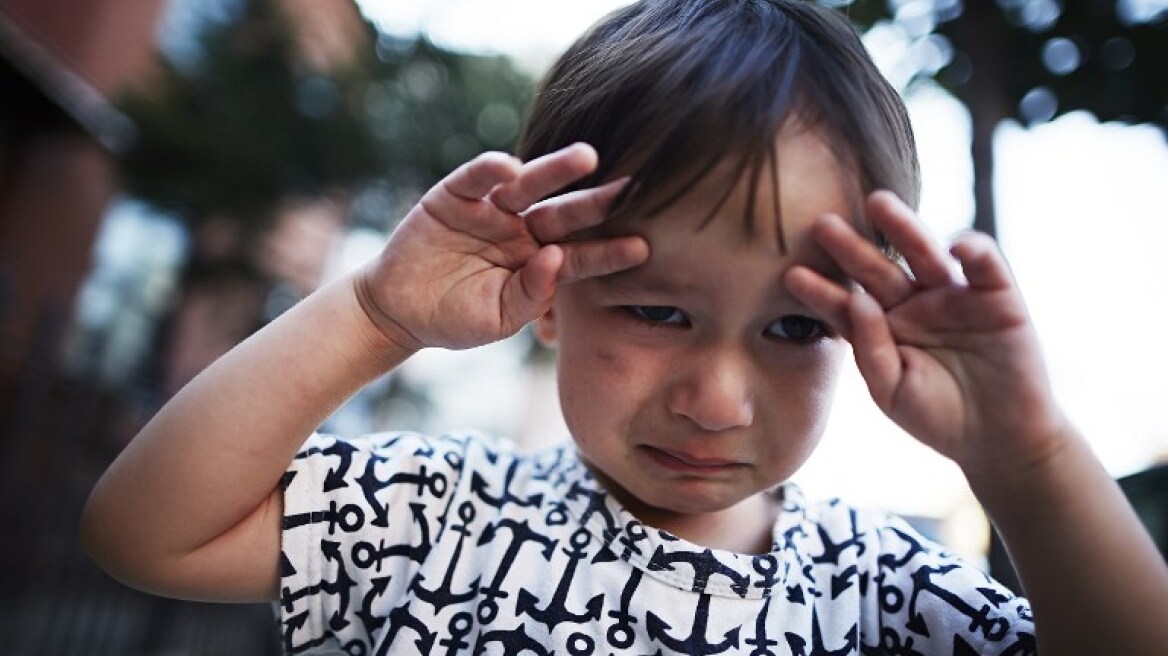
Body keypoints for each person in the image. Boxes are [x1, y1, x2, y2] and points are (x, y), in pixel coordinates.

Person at [81, 0, 1168, 654]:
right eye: (658, 310)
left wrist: (1027, 460)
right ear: (547, 288)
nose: (715, 397)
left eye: (793, 330)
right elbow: (144, 529)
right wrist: (372, 314)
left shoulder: (881, 588)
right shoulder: (439, 514)